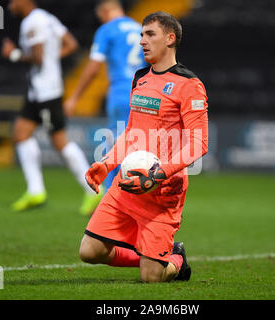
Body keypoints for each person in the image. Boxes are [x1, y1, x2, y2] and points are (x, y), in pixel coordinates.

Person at [79, 11, 209, 282]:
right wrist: (106, 164)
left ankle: (175, 259)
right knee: (90, 251)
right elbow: (131, 132)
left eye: (150, 34)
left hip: (163, 190)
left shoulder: (190, 85)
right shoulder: (140, 78)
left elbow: (199, 143)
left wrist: (160, 172)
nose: (142, 41)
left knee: (152, 277)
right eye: (141, 35)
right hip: (129, 182)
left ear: (170, 38)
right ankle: (153, 257)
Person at [1, 0, 103, 214]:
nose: (9, 5)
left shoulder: (32, 23)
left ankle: (93, 190)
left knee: (60, 142)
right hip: (39, 92)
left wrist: (14, 55)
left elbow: (38, 58)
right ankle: (36, 191)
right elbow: (71, 44)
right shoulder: (47, 18)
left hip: (45, 92)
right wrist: (50, 59)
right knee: (21, 133)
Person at [63, 0, 148, 193]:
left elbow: (93, 68)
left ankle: (110, 198)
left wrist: (75, 96)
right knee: (135, 143)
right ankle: (132, 195)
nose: (99, 19)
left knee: (115, 145)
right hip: (142, 92)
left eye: (99, 15)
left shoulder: (107, 30)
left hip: (120, 92)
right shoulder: (141, 29)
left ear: (105, 10)